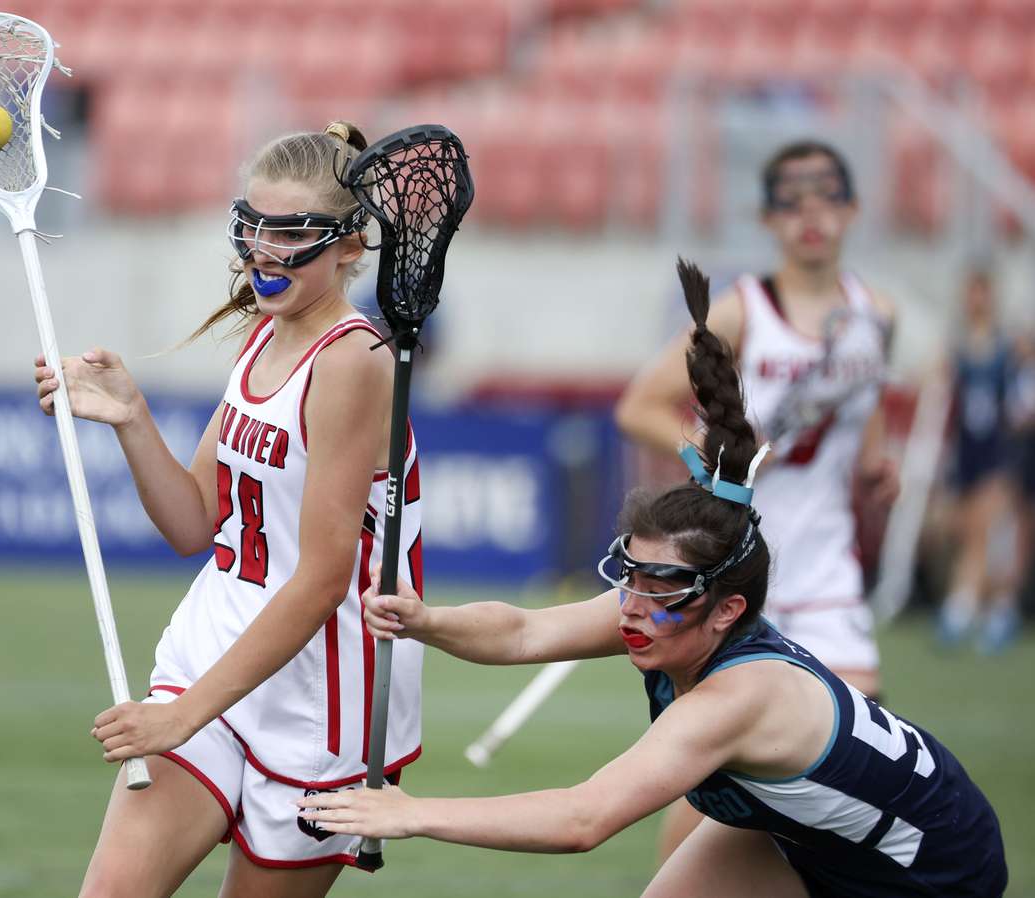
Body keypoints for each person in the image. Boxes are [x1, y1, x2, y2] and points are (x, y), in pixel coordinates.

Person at [299, 260, 1008, 898]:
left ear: (727, 609)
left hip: (933, 874)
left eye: (659, 585)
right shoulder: (668, 608)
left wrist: (411, 814)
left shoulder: (736, 698)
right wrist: (426, 621)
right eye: (631, 575)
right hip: (814, 837)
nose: (633, 605)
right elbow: (523, 632)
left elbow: (583, 819)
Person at [35, 121, 424, 897]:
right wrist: (131, 418)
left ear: (350, 245)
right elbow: (192, 524)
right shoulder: (265, 335)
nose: (264, 253)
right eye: (254, 227)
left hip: (319, 703)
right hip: (210, 658)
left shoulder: (353, 362)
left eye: (294, 234)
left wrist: (181, 718)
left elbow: (320, 582)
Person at [616, 141, 898, 859]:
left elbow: (865, 419)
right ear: (768, 218)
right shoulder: (744, 312)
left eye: (826, 198)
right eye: (791, 202)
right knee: (721, 774)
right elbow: (640, 406)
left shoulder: (876, 314)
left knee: (851, 763)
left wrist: (876, 467)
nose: (811, 216)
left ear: (852, 209)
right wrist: (714, 458)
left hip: (828, 570)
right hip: (742, 571)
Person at [938, 269, 1022, 653]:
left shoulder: (1009, 348)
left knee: (989, 530)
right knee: (970, 532)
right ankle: (984, 608)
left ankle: (968, 608)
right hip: (966, 456)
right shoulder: (957, 349)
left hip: (998, 453)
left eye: (982, 293)